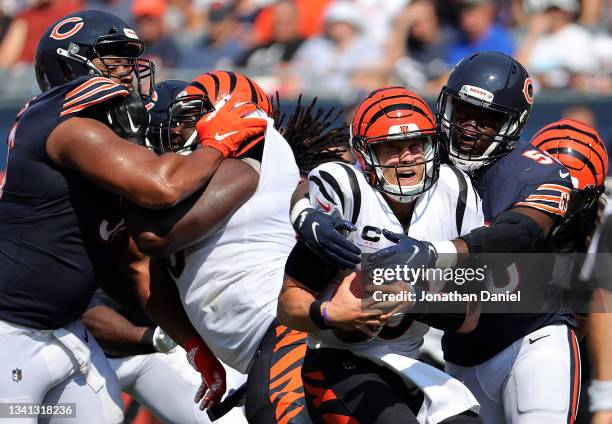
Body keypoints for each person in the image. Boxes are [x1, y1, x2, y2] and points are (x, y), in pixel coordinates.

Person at [0, 10, 264, 422]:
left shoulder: (105, 144)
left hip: (67, 335)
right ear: (72, 61)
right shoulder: (67, 126)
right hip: (9, 339)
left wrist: (193, 345)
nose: (129, 70)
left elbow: (139, 269)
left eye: (130, 58)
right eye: (115, 58)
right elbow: (162, 187)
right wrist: (218, 142)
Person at [293, 52, 581, 424]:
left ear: (513, 124)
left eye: (488, 119)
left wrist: (434, 254)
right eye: (463, 112)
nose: (469, 128)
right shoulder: (425, 148)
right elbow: (342, 171)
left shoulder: (536, 172)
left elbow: (519, 233)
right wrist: (303, 209)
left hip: (528, 335)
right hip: (460, 346)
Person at [125, 70, 347, 424]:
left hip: (284, 328)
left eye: (191, 117)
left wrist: (126, 184)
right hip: (260, 345)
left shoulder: (254, 153)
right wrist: (196, 348)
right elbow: (150, 281)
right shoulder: (188, 183)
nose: (179, 131)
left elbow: (155, 238)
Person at [279, 86, 484, 424]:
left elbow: (470, 316)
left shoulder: (455, 193)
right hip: (337, 361)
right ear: (364, 153)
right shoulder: (348, 192)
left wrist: (411, 295)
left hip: (410, 363)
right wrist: (330, 314)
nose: (407, 157)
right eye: (391, 148)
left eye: (415, 145)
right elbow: (288, 305)